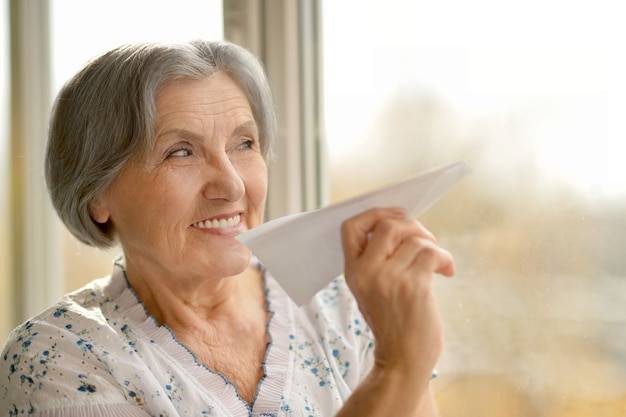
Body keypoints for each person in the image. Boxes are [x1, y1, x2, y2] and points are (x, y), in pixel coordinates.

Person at [0, 40, 455, 416]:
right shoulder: (56, 358)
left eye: (244, 143)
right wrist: (397, 368)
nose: (233, 185)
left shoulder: (342, 306)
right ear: (96, 193)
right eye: (181, 152)